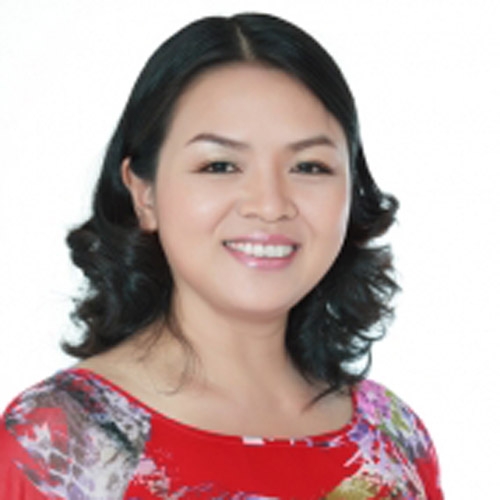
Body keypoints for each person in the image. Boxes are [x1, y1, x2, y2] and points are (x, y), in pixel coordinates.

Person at [0, 12, 443, 499]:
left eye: (309, 166)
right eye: (220, 165)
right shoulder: (58, 444)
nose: (270, 205)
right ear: (144, 194)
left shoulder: (394, 439)